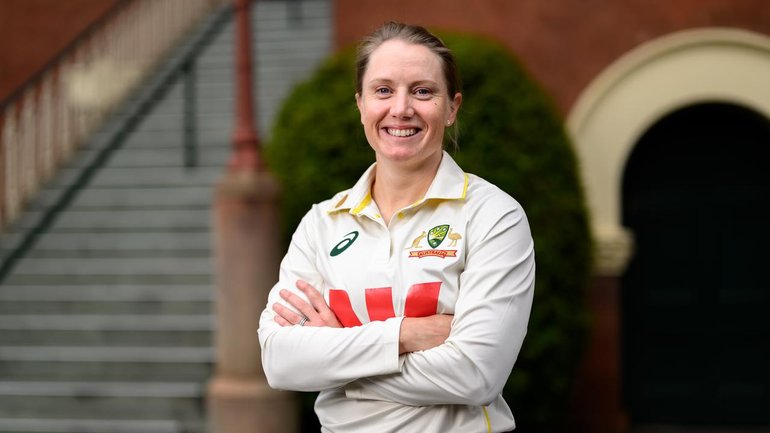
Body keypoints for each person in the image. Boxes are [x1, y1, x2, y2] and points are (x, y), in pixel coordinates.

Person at [258, 21, 535, 433]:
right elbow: (281, 363)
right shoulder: (322, 223)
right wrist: (405, 334)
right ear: (361, 104)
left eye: (423, 91)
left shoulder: (493, 215)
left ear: (452, 106)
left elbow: (475, 373)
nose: (401, 108)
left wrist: (338, 361)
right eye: (383, 90)